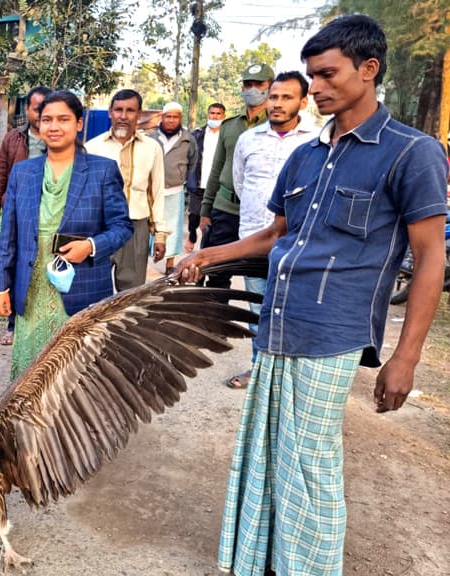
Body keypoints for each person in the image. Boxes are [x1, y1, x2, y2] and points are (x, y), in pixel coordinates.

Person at [178, 15, 448, 576]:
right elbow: (276, 234)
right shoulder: (304, 156)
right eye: (311, 76)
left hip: (333, 333)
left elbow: (429, 261)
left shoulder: (409, 152)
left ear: (368, 70)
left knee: (310, 461)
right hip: (277, 323)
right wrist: (207, 255)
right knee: (266, 448)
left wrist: (405, 357)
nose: (316, 87)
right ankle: (264, 560)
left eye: (327, 75)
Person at [0, 91, 133, 379]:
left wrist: (91, 246)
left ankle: (72, 423)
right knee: (31, 372)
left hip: (81, 284)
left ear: (79, 124)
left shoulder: (102, 170)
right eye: (47, 120)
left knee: (76, 370)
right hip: (31, 286)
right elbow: (9, 235)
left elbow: (122, 226)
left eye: (63, 119)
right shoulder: (23, 172)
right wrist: (1, 286)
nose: (54, 127)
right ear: (39, 124)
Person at [225, 71, 318, 390]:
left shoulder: (316, 140)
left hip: (298, 243)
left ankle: (291, 377)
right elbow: (240, 183)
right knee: (258, 309)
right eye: (274, 96)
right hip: (253, 241)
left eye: (287, 97)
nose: (277, 104)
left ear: (303, 101)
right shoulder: (248, 140)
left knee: (294, 309)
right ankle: (260, 370)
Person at [0, 85, 51, 347]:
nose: (41, 115)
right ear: (28, 109)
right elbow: (0, 178)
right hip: (18, 214)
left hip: (48, 215)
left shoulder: (56, 138)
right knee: (13, 266)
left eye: (46, 109)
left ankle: (44, 320)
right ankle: (13, 324)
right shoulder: (14, 139)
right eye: (37, 109)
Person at [199, 63, 274, 288]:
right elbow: (216, 168)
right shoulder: (229, 126)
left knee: (260, 274)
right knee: (217, 273)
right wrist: (206, 210)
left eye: (259, 84)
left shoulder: (277, 126)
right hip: (225, 209)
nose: (252, 89)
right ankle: (214, 321)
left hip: (262, 213)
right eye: (247, 84)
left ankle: (257, 322)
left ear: (270, 86)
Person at [86, 89, 168, 291]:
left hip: (135, 228)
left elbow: (156, 191)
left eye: (130, 110)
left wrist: (160, 235)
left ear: (139, 114)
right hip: (99, 227)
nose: (123, 116)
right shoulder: (92, 148)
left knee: (130, 293)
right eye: (118, 110)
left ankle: (128, 325)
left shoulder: (152, 148)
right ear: (110, 112)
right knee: (96, 290)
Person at [147, 101, 198, 272]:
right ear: (162, 117)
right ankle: (143, 262)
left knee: (172, 229)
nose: (171, 120)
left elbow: (192, 163)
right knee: (148, 228)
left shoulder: (188, 140)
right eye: (168, 116)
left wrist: (180, 176)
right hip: (152, 192)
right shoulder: (151, 138)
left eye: (175, 117)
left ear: (180, 118)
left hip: (174, 191)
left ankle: (169, 265)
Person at [185, 102, 226, 253]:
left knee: (211, 218)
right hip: (198, 182)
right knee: (195, 214)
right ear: (208, 115)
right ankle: (192, 235)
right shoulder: (197, 134)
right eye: (212, 113)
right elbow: (189, 157)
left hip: (216, 185)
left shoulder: (225, 135)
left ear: (223, 116)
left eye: (218, 114)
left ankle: (205, 245)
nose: (214, 116)